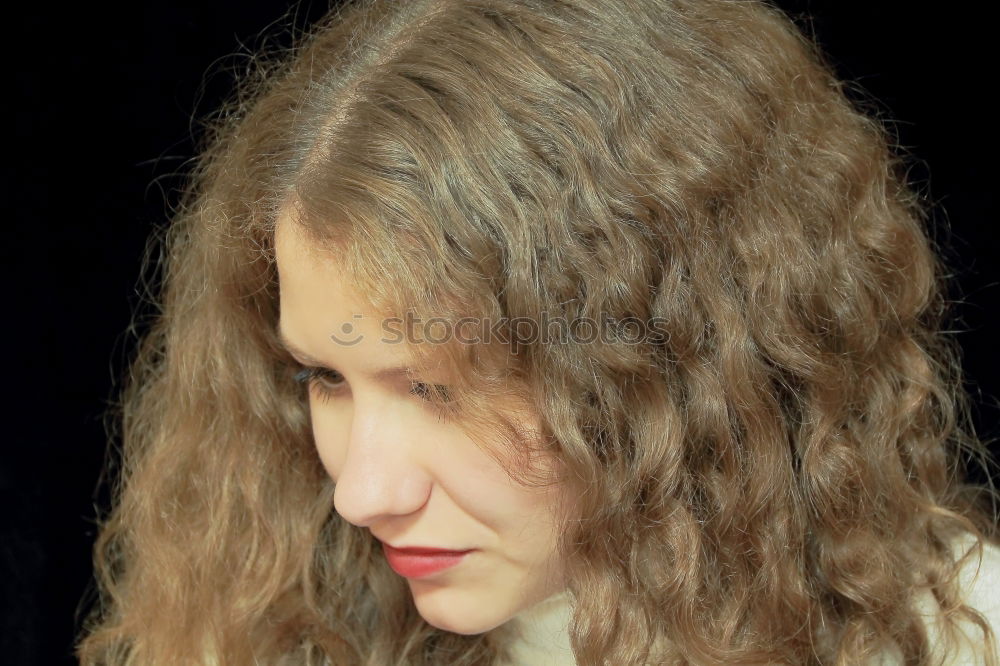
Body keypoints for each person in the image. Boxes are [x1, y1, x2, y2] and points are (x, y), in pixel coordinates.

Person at [77, 0, 1000, 663]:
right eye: (324, 377)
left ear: (672, 364)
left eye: (439, 386)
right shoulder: (307, 630)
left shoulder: (967, 635)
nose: (361, 494)